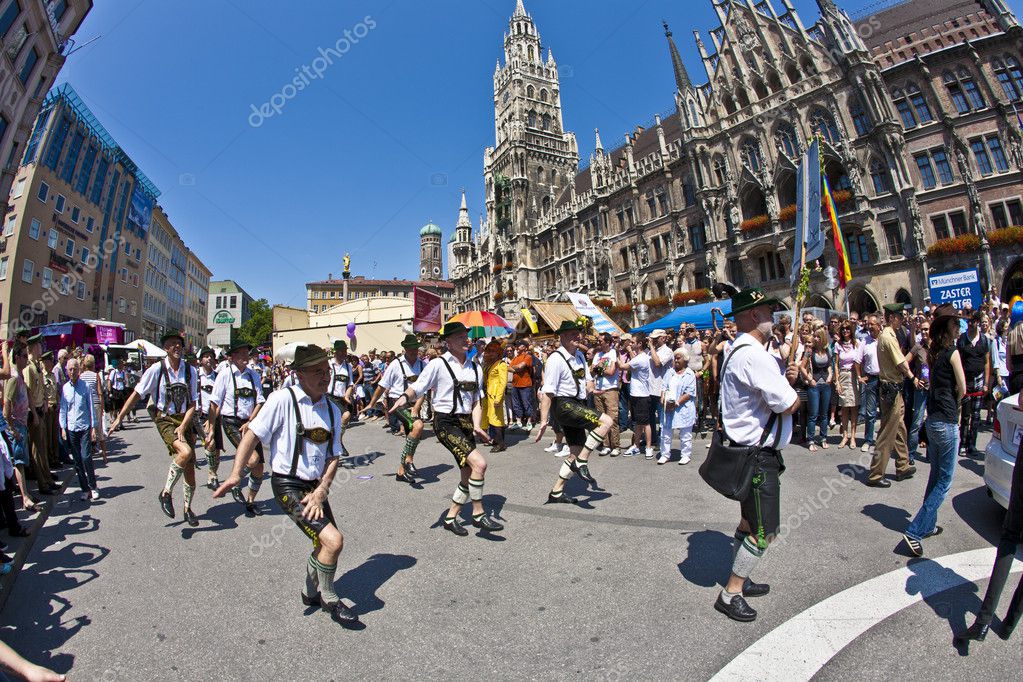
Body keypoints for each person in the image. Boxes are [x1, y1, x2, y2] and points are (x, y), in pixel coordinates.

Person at [214, 343, 360, 627]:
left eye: (326, 370)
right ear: (300, 374)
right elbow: (251, 437)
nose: (325, 376)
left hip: (315, 487)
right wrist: (235, 474)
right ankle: (329, 597)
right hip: (287, 485)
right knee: (334, 541)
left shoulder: (332, 408)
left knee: (325, 542)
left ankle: (309, 591)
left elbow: (334, 456)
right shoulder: (282, 399)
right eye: (317, 371)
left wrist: (321, 491)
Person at [715, 289, 800, 623]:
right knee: (765, 531)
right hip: (757, 455)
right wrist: (792, 389)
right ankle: (731, 592)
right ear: (752, 315)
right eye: (767, 311)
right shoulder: (753, 354)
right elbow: (788, 403)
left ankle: (742, 578)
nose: (773, 317)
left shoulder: (740, 351)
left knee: (749, 521)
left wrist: (785, 380)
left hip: (747, 451)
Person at [390, 322, 504, 536]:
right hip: (445, 423)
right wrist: (404, 397)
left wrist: (478, 425)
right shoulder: (438, 364)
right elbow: (418, 386)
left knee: (468, 474)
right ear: (448, 342)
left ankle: (451, 517)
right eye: (460, 336)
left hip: (466, 423)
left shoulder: (475, 367)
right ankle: (478, 514)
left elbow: (477, 401)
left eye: (466, 336)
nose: (466, 340)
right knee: (480, 463)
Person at [110, 332, 201, 527]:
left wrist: (185, 425)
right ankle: (165, 493)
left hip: (184, 419)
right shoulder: (156, 370)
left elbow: (193, 402)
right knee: (185, 452)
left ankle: (187, 508)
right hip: (165, 419)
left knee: (190, 469)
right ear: (166, 349)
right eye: (172, 344)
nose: (177, 347)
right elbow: (136, 394)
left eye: (179, 344)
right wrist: (119, 417)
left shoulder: (190, 371)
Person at [902, 305, 966, 556]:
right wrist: (958, 407)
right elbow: (962, 388)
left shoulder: (934, 353)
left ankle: (927, 525)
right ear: (947, 328)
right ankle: (916, 530)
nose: (958, 327)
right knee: (944, 481)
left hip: (933, 419)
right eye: (955, 324)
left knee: (935, 476)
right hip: (947, 421)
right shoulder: (952, 353)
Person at [535, 320, 614, 504]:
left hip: (577, 403)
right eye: (571, 334)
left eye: (577, 333)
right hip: (564, 405)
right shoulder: (555, 358)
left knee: (575, 451)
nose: (576, 336)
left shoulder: (579, 356)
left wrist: (591, 388)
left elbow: (587, 381)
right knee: (606, 422)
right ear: (561, 337)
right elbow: (548, 391)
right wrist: (543, 420)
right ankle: (582, 462)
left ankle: (557, 491)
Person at [209, 341, 267, 517]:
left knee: (259, 468)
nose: (244, 357)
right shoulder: (225, 374)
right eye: (240, 353)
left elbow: (260, 401)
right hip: (231, 422)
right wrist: (211, 428)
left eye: (246, 353)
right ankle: (235, 482)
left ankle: (250, 502)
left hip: (250, 423)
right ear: (231, 357)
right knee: (252, 459)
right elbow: (214, 403)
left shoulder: (253, 375)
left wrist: (251, 420)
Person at [865, 305, 919, 488]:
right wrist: (913, 377)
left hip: (892, 388)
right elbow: (901, 364)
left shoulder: (889, 335)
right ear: (892, 317)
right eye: (900, 317)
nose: (902, 320)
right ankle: (875, 474)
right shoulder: (888, 337)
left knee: (900, 428)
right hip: (891, 389)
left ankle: (902, 465)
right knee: (887, 432)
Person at [363, 334, 428, 483]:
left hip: (413, 404)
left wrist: (416, 407)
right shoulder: (395, 364)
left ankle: (401, 471)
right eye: (410, 348)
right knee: (418, 426)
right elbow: (382, 385)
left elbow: (423, 391)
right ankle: (409, 461)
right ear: (404, 348)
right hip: (397, 403)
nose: (413, 351)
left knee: (412, 435)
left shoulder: (423, 365)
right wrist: (372, 403)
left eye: (415, 348)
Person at [59, 358, 99, 502]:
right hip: (71, 428)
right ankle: (85, 489)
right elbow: (63, 409)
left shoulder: (86, 386)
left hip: (84, 427)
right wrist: (63, 428)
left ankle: (93, 486)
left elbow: (91, 408)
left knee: (86, 457)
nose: (73, 371)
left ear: (79, 370)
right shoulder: (65, 388)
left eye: (75, 368)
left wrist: (94, 427)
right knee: (77, 460)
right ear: (67, 371)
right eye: (70, 369)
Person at [957, 310, 991, 458]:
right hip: (966, 380)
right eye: (968, 322)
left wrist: (986, 383)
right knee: (966, 415)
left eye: (972, 322)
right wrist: (959, 382)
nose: (970, 325)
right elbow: (958, 361)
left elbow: (987, 362)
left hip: (979, 380)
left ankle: (972, 444)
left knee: (976, 416)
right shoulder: (962, 340)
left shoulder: (984, 340)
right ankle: (963, 444)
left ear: (977, 323)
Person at [659, 347, 696, 465]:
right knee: (665, 433)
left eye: (678, 358)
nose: (676, 360)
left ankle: (686, 455)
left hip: (683, 408)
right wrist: (662, 399)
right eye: (675, 358)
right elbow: (664, 387)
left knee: (685, 433)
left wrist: (676, 403)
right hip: (668, 407)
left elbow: (689, 393)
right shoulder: (669, 372)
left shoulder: (690, 374)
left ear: (685, 360)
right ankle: (665, 454)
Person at [619, 335, 653, 458]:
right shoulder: (639, 357)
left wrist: (614, 354)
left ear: (639, 344)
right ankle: (636, 446)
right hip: (636, 394)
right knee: (638, 423)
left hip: (642, 395)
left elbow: (622, 366)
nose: (630, 343)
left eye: (633, 342)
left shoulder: (642, 358)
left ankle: (648, 447)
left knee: (646, 423)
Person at [196, 347, 224, 489]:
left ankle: (211, 474)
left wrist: (213, 418)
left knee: (217, 448)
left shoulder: (218, 377)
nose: (209, 359)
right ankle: (213, 476)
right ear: (201, 360)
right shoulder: (194, 375)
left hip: (214, 415)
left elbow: (221, 400)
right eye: (206, 356)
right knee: (210, 444)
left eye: (211, 356)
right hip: (198, 416)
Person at [590, 333, 621, 456]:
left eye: (601, 341)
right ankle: (606, 444)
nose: (599, 343)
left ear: (607, 342)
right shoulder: (597, 354)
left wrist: (598, 368)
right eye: (598, 341)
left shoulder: (613, 353)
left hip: (610, 390)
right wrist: (600, 368)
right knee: (602, 420)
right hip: (598, 389)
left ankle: (616, 446)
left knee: (612, 419)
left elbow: (611, 371)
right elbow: (592, 371)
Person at [804, 329, 833, 453]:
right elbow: (802, 367)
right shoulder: (810, 351)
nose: (815, 339)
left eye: (817, 337)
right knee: (813, 414)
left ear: (822, 338)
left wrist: (831, 375)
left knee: (824, 414)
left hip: (826, 384)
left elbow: (830, 365)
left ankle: (823, 438)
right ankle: (810, 440)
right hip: (814, 385)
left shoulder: (827, 350)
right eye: (814, 336)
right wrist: (810, 379)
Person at [906, 320, 931, 463]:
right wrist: (914, 378)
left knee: (931, 422)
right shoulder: (917, 347)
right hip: (921, 389)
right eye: (922, 330)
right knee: (917, 421)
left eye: (927, 329)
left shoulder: (936, 347)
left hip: (934, 390)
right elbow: (904, 362)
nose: (925, 332)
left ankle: (930, 451)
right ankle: (911, 454)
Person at [835, 322, 862, 450]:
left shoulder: (856, 344)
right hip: (843, 376)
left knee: (854, 407)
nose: (845, 331)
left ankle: (853, 436)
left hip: (854, 376)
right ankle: (845, 435)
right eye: (843, 329)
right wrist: (837, 381)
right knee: (844, 407)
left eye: (847, 329)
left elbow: (860, 360)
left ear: (851, 330)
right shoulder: (837, 345)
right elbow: (836, 364)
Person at [79, 355, 108, 466]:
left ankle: (87, 456)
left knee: (86, 430)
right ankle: (104, 455)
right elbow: (100, 393)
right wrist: (102, 408)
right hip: (95, 404)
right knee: (99, 430)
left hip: (85, 405)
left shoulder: (81, 376)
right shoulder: (96, 376)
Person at [480, 340, 508, 452]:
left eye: (493, 351)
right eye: (489, 351)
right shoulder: (489, 364)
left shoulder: (501, 364)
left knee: (496, 419)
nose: (490, 353)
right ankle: (496, 441)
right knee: (490, 418)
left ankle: (501, 443)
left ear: (498, 352)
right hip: (487, 394)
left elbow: (503, 383)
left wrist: (498, 398)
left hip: (495, 395)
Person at [858, 314, 881, 452]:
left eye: (873, 324)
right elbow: (857, 360)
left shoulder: (884, 339)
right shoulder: (864, 342)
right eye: (869, 324)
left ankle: (884, 440)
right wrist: (860, 376)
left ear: (879, 325)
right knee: (870, 412)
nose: (870, 326)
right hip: (871, 379)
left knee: (886, 412)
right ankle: (868, 440)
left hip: (885, 379)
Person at [326, 340, 356, 428]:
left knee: (343, 419)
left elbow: (350, 384)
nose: (344, 353)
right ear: (335, 351)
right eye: (342, 351)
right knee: (345, 415)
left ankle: (337, 438)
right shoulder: (328, 364)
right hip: (329, 396)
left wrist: (347, 396)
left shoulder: (348, 366)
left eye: (345, 351)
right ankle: (336, 439)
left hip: (341, 399)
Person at [509, 339, 535, 431]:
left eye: (518, 345)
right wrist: (517, 368)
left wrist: (516, 368)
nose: (516, 347)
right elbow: (510, 368)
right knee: (516, 404)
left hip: (525, 384)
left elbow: (520, 366)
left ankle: (529, 422)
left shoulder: (527, 356)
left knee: (526, 403)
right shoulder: (515, 358)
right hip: (515, 385)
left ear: (524, 347)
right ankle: (519, 422)